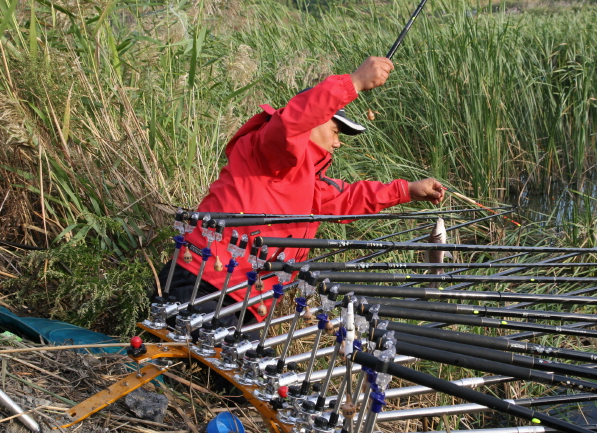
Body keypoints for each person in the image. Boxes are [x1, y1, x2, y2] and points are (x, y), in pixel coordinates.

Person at [159, 56, 445, 325]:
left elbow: (347, 199)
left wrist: (406, 190)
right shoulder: (270, 150)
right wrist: (354, 82)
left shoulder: (307, 183)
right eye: (335, 131)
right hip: (205, 281)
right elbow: (293, 121)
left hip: (245, 300)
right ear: (314, 121)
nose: (338, 144)